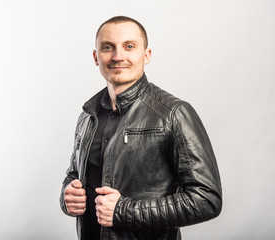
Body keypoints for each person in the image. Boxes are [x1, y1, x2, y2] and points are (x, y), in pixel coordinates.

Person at [60, 16, 222, 240]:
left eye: (129, 46)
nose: (118, 56)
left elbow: (206, 199)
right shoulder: (88, 115)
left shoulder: (173, 113)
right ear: (96, 57)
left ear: (146, 56)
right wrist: (67, 195)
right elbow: (74, 174)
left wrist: (123, 211)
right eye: (108, 47)